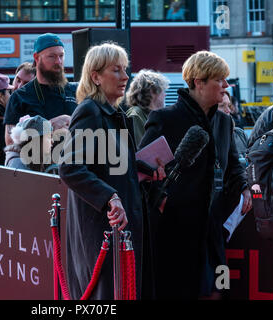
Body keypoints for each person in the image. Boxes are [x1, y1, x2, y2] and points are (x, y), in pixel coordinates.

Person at [139, 51, 252, 299]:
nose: (226, 86)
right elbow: (142, 170)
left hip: (211, 231)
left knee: (216, 291)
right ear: (198, 82)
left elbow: (233, 164)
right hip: (175, 233)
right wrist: (160, 199)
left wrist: (243, 187)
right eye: (219, 80)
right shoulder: (164, 119)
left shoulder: (224, 122)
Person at [58, 42, 155, 300]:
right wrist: (110, 197)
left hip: (118, 228)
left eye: (125, 69)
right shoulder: (90, 111)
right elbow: (69, 167)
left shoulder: (114, 112)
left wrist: (147, 167)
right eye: (116, 70)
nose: (125, 77)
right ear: (96, 77)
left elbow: (114, 161)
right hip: (101, 230)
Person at [3, 33, 77, 146]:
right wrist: (49, 126)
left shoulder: (76, 90)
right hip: (40, 162)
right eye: (52, 56)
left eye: (61, 56)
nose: (58, 61)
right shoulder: (19, 97)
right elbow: (10, 141)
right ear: (37, 58)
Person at [125, 69, 170, 146]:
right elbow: (140, 152)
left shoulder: (151, 116)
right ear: (152, 91)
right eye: (163, 90)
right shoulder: (135, 116)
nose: (165, 95)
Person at [218, 91, 248, 166]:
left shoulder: (240, 134)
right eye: (222, 106)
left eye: (228, 105)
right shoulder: (205, 138)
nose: (228, 110)